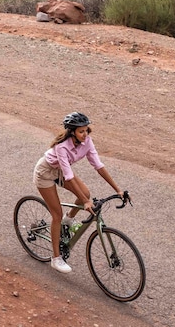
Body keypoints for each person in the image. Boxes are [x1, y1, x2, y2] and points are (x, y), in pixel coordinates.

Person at [33, 111, 123, 273]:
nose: (85, 134)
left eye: (86, 130)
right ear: (72, 132)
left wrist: (118, 190)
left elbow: (98, 166)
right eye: (81, 131)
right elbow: (69, 176)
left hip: (61, 171)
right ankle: (56, 258)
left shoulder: (87, 142)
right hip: (45, 173)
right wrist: (86, 202)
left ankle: (68, 220)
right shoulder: (62, 147)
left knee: (85, 193)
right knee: (56, 215)